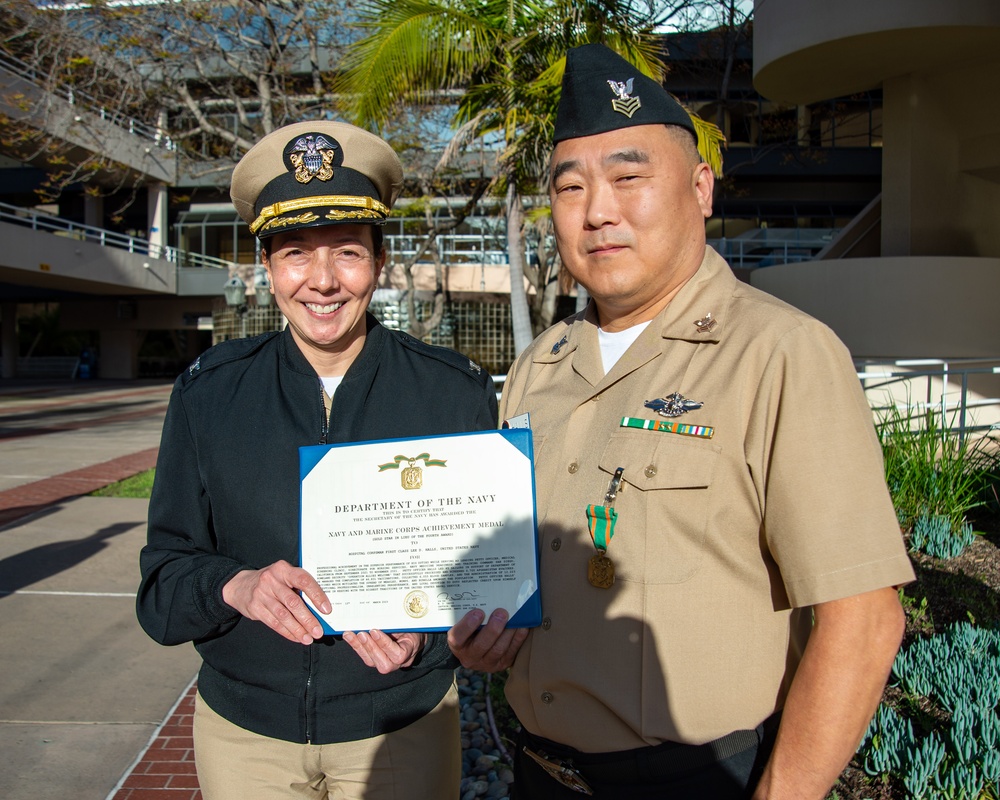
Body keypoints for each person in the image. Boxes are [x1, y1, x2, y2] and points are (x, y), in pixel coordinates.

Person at [448, 43, 914, 799]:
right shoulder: (541, 366)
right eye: (571, 188)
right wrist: (492, 639)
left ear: (700, 188)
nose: (599, 210)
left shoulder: (779, 354)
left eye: (629, 177)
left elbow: (863, 625)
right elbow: (532, 580)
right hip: (538, 772)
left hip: (697, 780)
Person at [137, 120, 498, 800]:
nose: (324, 282)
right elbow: (162, 587)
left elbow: (487, 574)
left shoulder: (454, 394)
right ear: (266, 267)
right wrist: (233, 587)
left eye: (348, 253)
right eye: (296, 253)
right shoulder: (208, 394)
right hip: (246, 736)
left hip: (401, 726)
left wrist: (430, 638)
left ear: (380, 262)